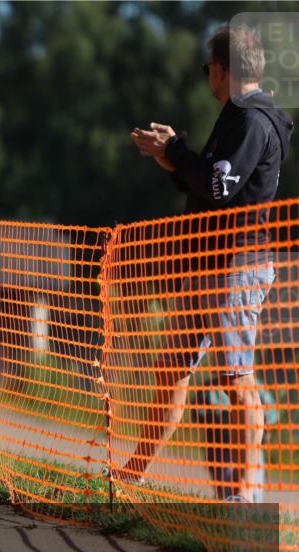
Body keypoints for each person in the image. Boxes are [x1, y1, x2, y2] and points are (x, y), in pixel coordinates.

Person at [119, 25, 293, 502]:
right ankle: (129, 478)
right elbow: (210, 185)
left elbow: (219, 187)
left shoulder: (253, 121)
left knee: (237, 381)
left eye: (207, 68)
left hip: (238, 265)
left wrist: (176, 152)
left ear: (223, 69)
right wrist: (173, 159)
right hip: (207, 262)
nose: (206, 77)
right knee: (171, 369)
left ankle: (248, 490)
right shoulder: (236, 116)